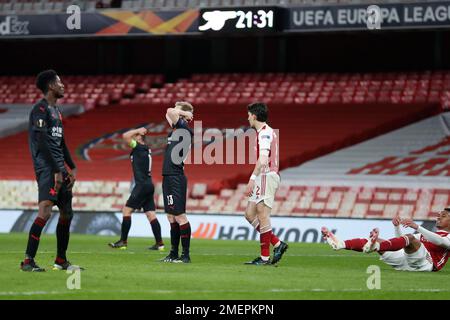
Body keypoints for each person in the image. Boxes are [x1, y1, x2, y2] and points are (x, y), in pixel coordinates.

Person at [21, 70, 80, 272]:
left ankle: (60, 260)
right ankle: (28, 261)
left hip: (59, 168)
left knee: (67, 214)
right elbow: (42, 141)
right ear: (50, 86)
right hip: (47, 167)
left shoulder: (57, 112)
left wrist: (71, 166)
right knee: (45, 212)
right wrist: (56, 170)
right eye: (59, 82)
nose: (63, 85)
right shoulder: (40, 109)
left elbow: (60, 143)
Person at [321, 208, 450, 272]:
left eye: (443, 216)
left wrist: (417, 227)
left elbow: (441, 242)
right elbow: (402, 241)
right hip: (406, 262)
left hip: (426, 265)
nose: (438, 217)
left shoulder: (444, 236)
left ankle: (375, 247)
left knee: (410, 237)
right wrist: (397, 227)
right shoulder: (427, 235)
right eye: (438, 215)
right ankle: (340, 244)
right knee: (377, 241)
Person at [244, 102, 288, 265]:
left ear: (254, 116)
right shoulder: (264, 132)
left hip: (267, 176)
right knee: (249, 214)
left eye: (249, 115)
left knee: (262, 213)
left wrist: (252, 179)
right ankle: (277, 243)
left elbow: (263, 160)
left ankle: (264, 257)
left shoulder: (264, 134)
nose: (248, 118)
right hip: (264, 176)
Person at [108, 127, 164, 251]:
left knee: (126, 211)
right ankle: (160, 243)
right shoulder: (146, 149)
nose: (133, 138)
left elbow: (125, 135)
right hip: (149, 184)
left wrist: (139, 129)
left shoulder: (138, 147)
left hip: (142, 185)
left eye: (136, 136)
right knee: (151, 214)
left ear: (139, 138)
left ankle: (123, 241)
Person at [160, 101, 194, 263]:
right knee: (171, 217)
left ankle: (185, 255)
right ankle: (173, 253)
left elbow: (169, 111)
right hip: (168, 176)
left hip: (176, 176)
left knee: (180, 216)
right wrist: (180, 112)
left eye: (178, 110)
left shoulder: (184, 129)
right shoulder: (176, 129)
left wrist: (184, 113)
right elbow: (168, 114)